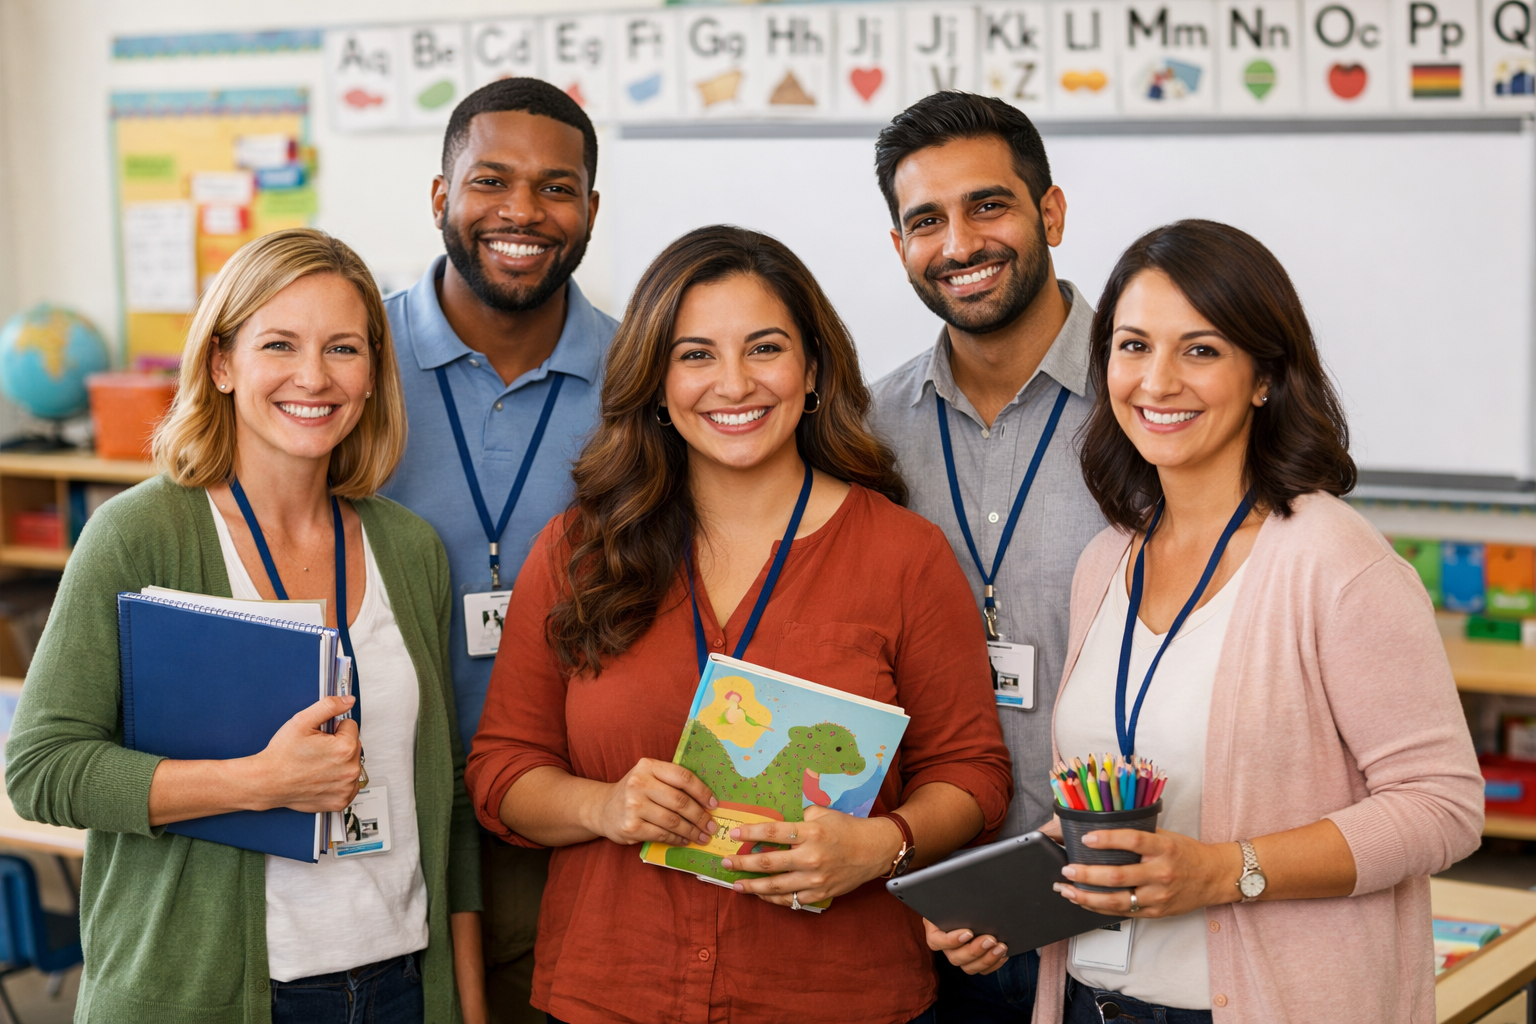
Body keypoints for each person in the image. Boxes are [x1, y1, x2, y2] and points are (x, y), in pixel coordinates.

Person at [464, 225, 1014, 1024]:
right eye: (695, 355)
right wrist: (603, 807)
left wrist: (882, 845)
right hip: (613, 991)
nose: (733, 383)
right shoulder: (577, 550)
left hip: (836, 997)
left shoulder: (904, 556)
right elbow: (502, 771)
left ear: (813, 368)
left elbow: (972, 773)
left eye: (765, 349)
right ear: (654, 380)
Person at [5, 229, 484, 1024]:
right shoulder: (141, 536)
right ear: (222, 364)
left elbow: (451, 803)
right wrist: (259, 784)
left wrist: (464, 1003)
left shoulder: (410, 548)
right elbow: (43, 768)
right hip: (208, 995)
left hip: (399, 985)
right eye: (279, 344)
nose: (313, 376)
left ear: (372, 374)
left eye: (342, 348)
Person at [1036, 220, 1483, 1022]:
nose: (1157, 381)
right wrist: (1012, 906)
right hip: (1088, 1002)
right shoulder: (1106, 559)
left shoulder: (1334, 562)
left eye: (1200, 350)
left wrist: (1226, 870)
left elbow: (1441, 806)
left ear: (1265, 378)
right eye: (1132, 346)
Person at [377, 78, 616, 1023]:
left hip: (569, 812)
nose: (523, 212)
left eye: (557, 188)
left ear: (591, 211)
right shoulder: (354, 355)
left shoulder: (643, 371)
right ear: (441, 196)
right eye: (490, 181)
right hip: (384, 797)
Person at [867, 91, 1106, 1020]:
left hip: (1124, 896)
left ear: (1049, 212)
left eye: (988, 206)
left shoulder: (1151, 405)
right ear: (899, 246)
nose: (959, 243)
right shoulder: (868, 432)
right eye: (926, 220)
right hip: (935, 907)